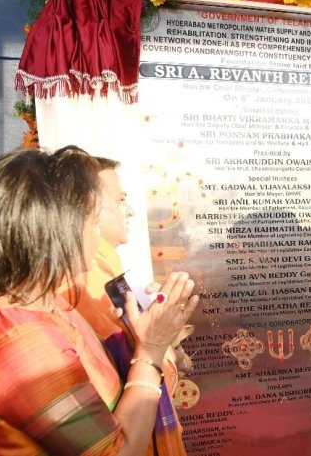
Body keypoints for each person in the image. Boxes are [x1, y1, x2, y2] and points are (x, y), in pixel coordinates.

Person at [0, 147, 198, 454]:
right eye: (92, 222)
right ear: (59, 229)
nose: (97, 234)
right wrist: (150, 350)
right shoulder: (16, 340)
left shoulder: (48, 306)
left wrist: (145, 336)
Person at [75, 156, 191, 455]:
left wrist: (165, 334)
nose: (130, 211)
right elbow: (129, 369)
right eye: (120, 199)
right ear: (88, 210)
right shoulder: (86, 285)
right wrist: (159, 344)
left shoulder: (108, 275)